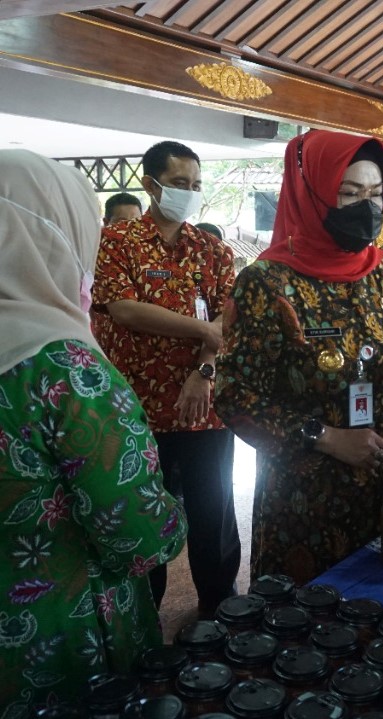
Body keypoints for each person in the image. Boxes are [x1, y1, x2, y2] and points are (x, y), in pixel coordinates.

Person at [0, 150, 186, 709]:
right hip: (57, 629)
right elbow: (136, 535)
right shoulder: (65, 371)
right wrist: (175, 517)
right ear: (55, 239)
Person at [214, 130, 383, 585]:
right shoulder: (266, 283)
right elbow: (234, 398)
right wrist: (325, 436)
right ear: (310, 194)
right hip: (305, 499)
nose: (366, 207)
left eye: (376, 194)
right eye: (348, 193)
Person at [91, 140, 240, 617]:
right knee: (144, 515)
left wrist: (204, 369)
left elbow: (228, 318)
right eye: (179, 184)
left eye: (196, 184)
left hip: (203, 409)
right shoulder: (116, 242)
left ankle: (219, 613)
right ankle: (143, 622)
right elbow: (124, 309)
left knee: (213, 516)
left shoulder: (211, 249)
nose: (190, 192)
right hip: (137, 410)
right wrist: (202, 330)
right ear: (150, 184)